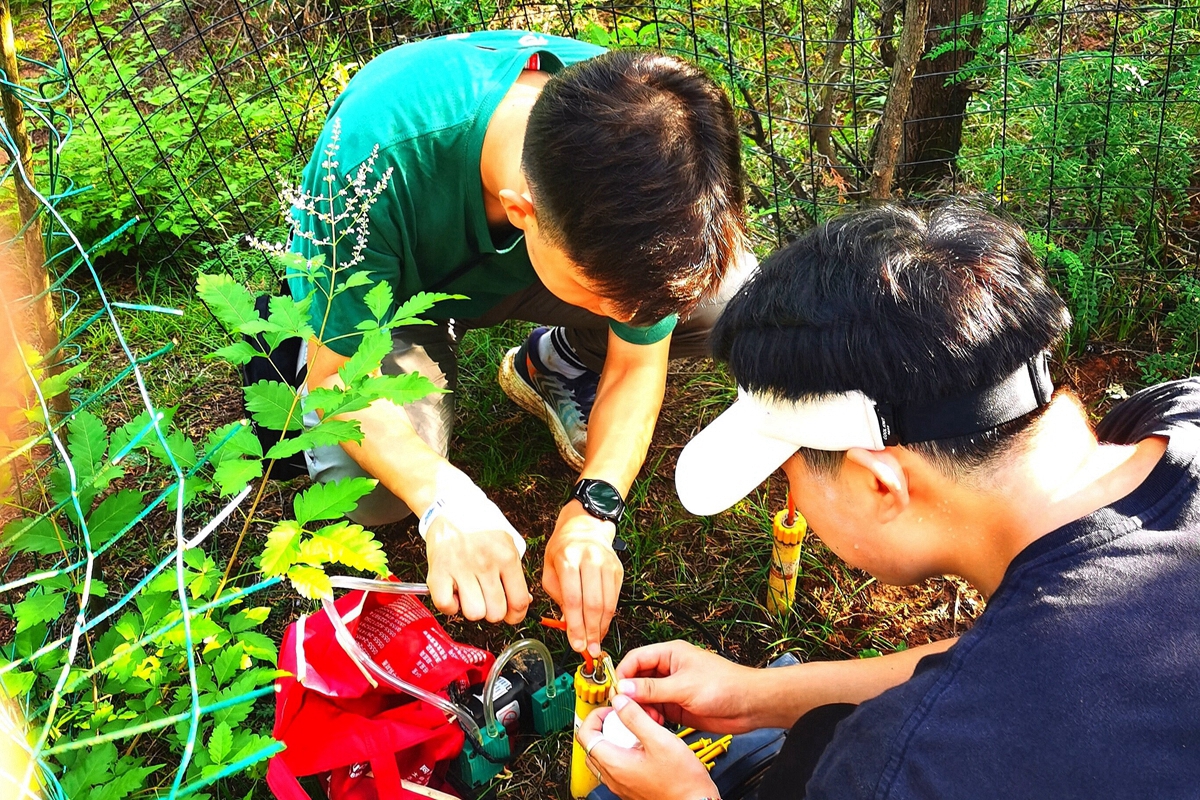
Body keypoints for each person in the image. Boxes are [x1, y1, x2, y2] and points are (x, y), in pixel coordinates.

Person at [576, 201, 1200, 799]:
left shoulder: (907, 768)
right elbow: (1010, 659)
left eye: (786, 476)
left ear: (881, 483)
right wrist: (757, 694)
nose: (789, 498)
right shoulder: (1178, 417)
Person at [287, 30, 751, 655]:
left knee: (735, 300)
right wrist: (440, 496)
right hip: (392, 300)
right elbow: (337, 381)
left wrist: (596, 509)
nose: (630, 323)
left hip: (544, 259)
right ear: (521, 210)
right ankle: (313, 320)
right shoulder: (370, 161)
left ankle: (554, 361)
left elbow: (638, 361)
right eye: (605, 299)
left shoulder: (646, 135)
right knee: (368, 493)